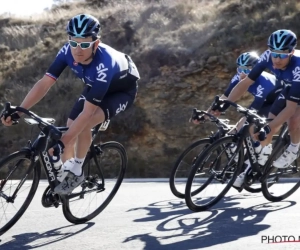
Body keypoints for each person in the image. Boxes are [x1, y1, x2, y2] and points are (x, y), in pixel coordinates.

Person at [1, 14, 140, 195]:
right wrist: (19, 111)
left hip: (121, 91)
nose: (77, 50)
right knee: (70, 126)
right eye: (74, 43)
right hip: (95, 86)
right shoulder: (67, 51)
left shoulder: (104, 65)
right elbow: (45, 83)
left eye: (84, 44)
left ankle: (77, 170)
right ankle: (65, 173)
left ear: (95, 44)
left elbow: (87, 114)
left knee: (83, 125)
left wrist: (61, 143)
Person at [224, 29, 300, 188]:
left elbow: (291, 109)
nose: (277, 59)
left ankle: (294, 148)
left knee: (293, 119)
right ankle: (257, 162)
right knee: (269, 123)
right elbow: (245, 83)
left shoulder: (298, 66)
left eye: (282, 55)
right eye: (274, 53)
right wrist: (226, 102)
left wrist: (269, 127)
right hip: (288, 87)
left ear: (291, 52)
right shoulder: (267, 56)